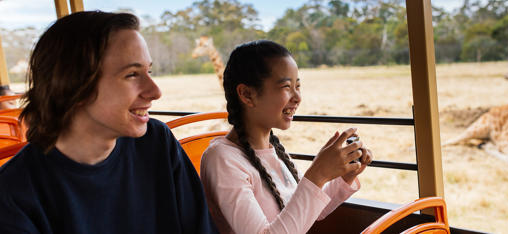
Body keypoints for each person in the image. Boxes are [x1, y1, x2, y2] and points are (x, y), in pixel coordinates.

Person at [0, 11, 217, 233]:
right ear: (74, 86)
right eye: (132, 74)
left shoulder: (156, 141)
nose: (155, 91)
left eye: (149, 71)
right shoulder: (13, 195)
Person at [201, 40, 374, 234]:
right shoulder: (222, 159)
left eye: (297, 86)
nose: (298, 97)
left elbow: (309, 211)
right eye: (286, 87)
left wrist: (345, 176)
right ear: (247, 94)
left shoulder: (273, 149)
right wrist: (317, 175)